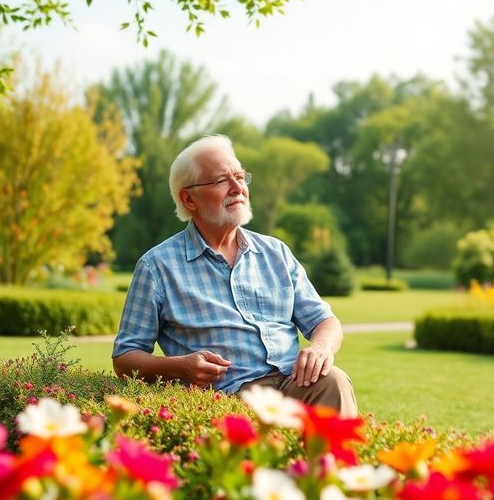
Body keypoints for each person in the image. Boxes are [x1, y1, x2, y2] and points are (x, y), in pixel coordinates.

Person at [112, 134, 358, 416]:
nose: (237, 187)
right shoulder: (157, 267)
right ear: (188, 198)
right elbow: (125, 357)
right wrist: (180, 366)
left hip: (293, 384)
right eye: (221, 180)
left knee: (333, 381)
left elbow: (325, 321)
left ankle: (334, 462)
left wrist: (320, 348)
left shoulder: (275, 252)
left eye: (240, 177)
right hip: (230, 400)